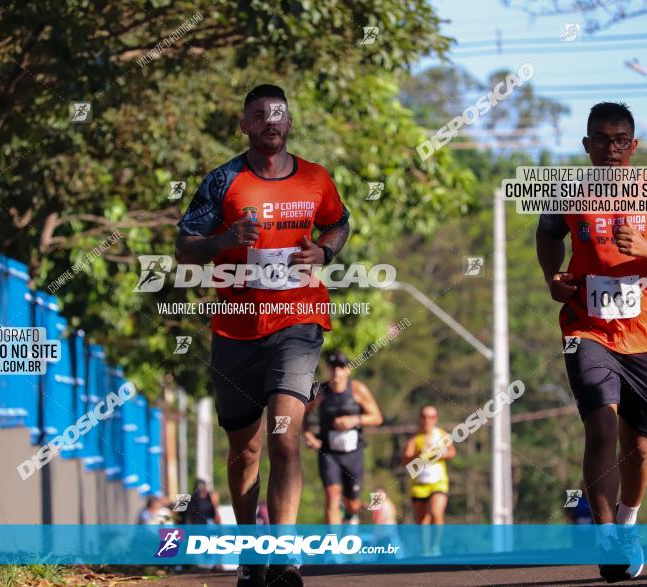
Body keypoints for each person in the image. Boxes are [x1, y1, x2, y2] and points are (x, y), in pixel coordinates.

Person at [175, 83, 351, 587]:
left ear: (289, 123)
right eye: (260, 114)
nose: (271, 121)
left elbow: (339, 223)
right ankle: (252, 551)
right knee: (244, 450)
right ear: (245, 124)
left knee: (285, 437)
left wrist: (325, 251)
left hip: (297, 323)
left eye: (279, 114)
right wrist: (227, 240)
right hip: (235, 329)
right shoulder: (223, 181)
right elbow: (185, 245)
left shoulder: (317, 178)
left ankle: (284, 556)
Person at [536, 102, 647, 582]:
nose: (612, 149)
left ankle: (628, 522)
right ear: (587, 145)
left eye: (621, 140)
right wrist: (553, 278)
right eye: (602, 140)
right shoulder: (568, 190)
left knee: (640, 444)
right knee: (601, 428)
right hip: (586, 328)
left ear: (634, 144)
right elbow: (547, 233)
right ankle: (606, 536)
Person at [303, 351, 383, 525]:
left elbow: (377, 417)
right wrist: (308, 434)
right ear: (328, 370)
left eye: (341, 367)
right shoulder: (320, 392)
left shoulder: (357, 389)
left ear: (348, 370)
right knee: (332, 498)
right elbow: (301, 415)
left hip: (353, 454)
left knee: (352, 503)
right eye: (333, 368)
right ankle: (334, 548)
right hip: (329, 453)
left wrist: (355, 419)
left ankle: (351, 517)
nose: (337, 372)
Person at [402, 405, 455, 530]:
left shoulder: (441, 435)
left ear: (436, 419)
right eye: (424, 417)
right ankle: (426, 549)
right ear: (420, 418)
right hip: (418, 484)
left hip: (438, 482)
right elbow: (405, 459)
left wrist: (439, 454)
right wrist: (419, 455)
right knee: (421, 522)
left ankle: (435, 547)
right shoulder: (414, 438)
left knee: (436, 512)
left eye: (431, 417)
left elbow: (452, 452)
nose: (427, 421)